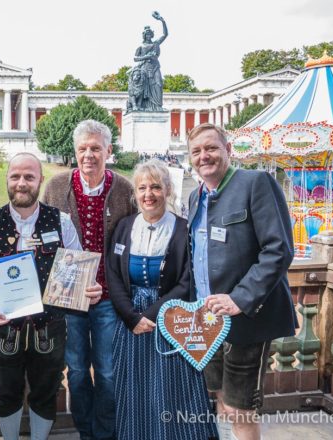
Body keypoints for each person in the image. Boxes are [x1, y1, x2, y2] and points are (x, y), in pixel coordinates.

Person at [0, 153, 99, 440]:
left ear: (40, 180)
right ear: (7, 179)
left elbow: (79, 276)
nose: (21, 183)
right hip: (6, 328)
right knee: (6, 392)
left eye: (29, 177)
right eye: (15, 176)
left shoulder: (61, 222)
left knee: (46, 391)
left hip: (49, 327)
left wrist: (88, 290)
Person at [187, 123, 296, 440]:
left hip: (247, 319)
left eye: (211, 148)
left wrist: (240, 299)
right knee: (220, 400)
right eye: (196, 151)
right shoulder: (196, 198)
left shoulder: (256, 183)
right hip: (209, 321)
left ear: (227, 151)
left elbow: (279, 249)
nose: (204, 156)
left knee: (240, 408)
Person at [106, 159, 217, 439]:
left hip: (170, 319)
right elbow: (113, 275)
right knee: (134, 386)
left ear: (167, 190)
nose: (148, 194)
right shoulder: (123, 227)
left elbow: (186, 280)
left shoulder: (183, 228)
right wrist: (131, 316)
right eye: (142, 188)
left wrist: (153, 315)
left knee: (171, 386)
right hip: (129, 321)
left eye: (155, 187)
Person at [42, 119, 136, 440]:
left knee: (109, 373)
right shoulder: (55, 188)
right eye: (82, 148)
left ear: (109, 151)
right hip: (70, 299)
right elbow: (43, 241)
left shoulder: (124, 189)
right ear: (75, 151)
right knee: (78, 373)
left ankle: (105, 433)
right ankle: (86, 431)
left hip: (110, 298)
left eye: (96, 148)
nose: (89, 155)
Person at [132, 11, 168, 111]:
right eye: (146, 34)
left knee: (158, 84)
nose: (148, 36)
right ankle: (146, 107)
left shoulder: (156, 43)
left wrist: (162, 21)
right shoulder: (141, 46)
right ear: (144, 35)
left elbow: (165, 34)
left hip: (155, 66)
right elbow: (135, 58)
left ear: (151, 35)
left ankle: (157, 106)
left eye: (150, 34)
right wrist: (146, 57)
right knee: (145, 89)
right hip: (144, 68)